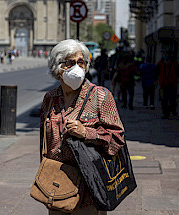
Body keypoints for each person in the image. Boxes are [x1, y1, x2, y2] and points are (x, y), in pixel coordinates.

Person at [41, 39, 125, 215]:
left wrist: (86, 132)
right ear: (58, 68)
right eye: (70, 63)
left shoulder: (100, 96)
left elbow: (117, 138)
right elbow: (44, 144)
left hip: (89, 189)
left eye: (81, 62)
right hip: (57, 187)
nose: (77, 67)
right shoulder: (50, 99)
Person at [156, 53, 179, 119]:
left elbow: (178, 74)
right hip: (165, 84)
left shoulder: (175, 65)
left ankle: (172, 112)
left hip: (172, 84)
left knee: (172, 99)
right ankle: (166, 113)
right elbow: (156, 73)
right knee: (165, 100)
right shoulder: (161, 65)